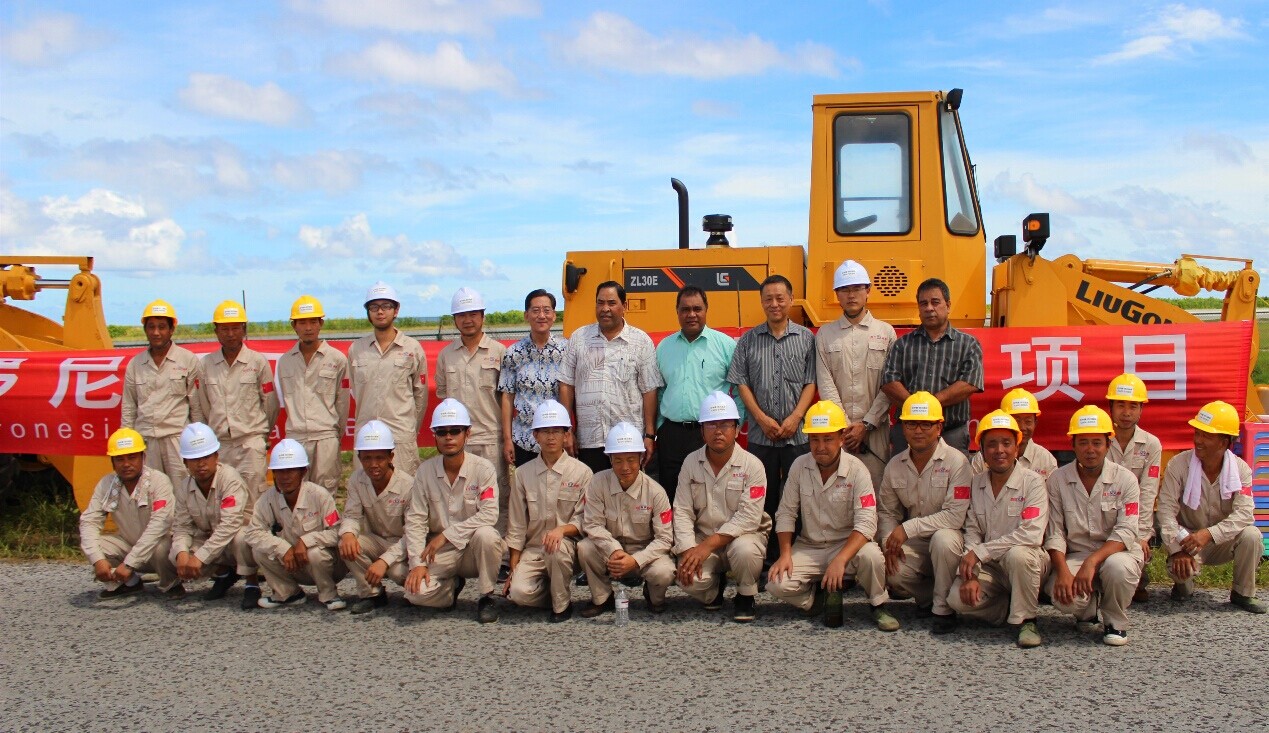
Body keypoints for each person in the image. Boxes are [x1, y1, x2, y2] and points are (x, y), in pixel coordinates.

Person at [766, 401, 898, 632]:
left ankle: (878, 604)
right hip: (810, 546)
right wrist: (785, 554)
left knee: (872, 557)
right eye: (814, 439)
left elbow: (867, 522)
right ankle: (816, 599)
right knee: (776, 584)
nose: (821, 447)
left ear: (841, 438)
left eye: (827, 439)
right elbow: (786, 512)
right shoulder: (799, 466)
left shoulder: (857, 470)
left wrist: (840, 560)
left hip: (847, 545)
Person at [727, 274, 817, 564]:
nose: (775, 304)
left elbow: (811, 381)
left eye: (780, 298)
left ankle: (796, 555)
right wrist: (762, 419)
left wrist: (795, 417)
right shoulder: (748, 341)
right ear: (762, 302)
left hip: (797, 435)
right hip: (760, 436)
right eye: (769, 299)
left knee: (798, 495)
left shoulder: (807, 339)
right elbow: (741, 383)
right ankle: (763, 558)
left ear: (791, 299)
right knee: (762, 497)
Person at [940, 410, 1049, 647]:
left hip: (1026, 562)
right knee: (957, 599)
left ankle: (1027, 620)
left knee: (1018, 554)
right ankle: (1008, 608)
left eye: (1006, 443)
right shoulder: (976, 483)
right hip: (991, 567)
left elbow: (1031, 534)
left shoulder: (1033, 482)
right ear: (981, 451)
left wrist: (981, 553)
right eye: (991, 444)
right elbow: (972, 531)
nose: (999, 450)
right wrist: (971, 574)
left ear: (1017, 448)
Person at [1044, 406, 1144, 646]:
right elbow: (1054, 531)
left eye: (1097, 443)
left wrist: (1092, 562)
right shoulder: (1057, 479)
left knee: (1118, 569)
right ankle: (1086, 610)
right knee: (1062, 596)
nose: (1090, 449)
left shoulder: (1126, 479)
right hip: (1076, 554)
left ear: (1108, 445)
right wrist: (1063, 571)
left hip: (1118, 554)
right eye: (1083, 442)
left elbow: (1127, 531)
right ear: (1073, 445)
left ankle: (1115, 622)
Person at [402, 399, 504, 624]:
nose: (448, 437)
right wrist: (418, 565)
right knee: (414, 594)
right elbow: (415, 520)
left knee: (487, 535)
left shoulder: (483, 468)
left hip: (472, 549)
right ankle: (450, 588)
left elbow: (489, 514)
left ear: (467, 433)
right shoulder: (424, 472)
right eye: (442, 432)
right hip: (440, 552)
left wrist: (446, 535)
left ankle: (487, 596)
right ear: (434, 436)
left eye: (455, 431)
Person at [1158, 401, 1264, 613]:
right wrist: (1177, 549)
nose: (1198, 440)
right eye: (1197, 433)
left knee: (1252, 535)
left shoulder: (1241, 470)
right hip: (1187, 540)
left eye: (1206, 435)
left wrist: (1209, 534)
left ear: (1224, 442)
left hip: (1221, 540)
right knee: (1180, 572)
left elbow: (1244, 514)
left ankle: (1242, 592)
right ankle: (1183, 585)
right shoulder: (1178, 464)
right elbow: (1165, 511)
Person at [673, 392, 770, 623]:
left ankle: (746, 595)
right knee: (687, 579)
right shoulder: (690, 462)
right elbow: (682, 510)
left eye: (725, 424)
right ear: (701, 430)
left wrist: (706, 546)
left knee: (745, 551)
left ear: (737, 430)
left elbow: (748, 518)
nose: (718, 431)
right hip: (703, 537)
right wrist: (689, 550)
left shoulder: (753, 465)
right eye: (711, 424)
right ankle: (713, 589)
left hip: (742, 537)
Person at [877, 392, 971, 620]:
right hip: (917, 543)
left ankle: (943, 610)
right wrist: (889, 543)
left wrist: (907, 528)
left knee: (943, 539)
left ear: (939, 427)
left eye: (926, 424)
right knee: (889, 571)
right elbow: (887, 512)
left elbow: (955, 517)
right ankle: (934, 595)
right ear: (903, 428)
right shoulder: (894, 466)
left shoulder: (957, 462)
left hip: (952, 541)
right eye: (911, 424)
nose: (918, 430)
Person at [559, 281, 663, 475]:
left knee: (629, 492)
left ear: (624, 306)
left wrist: (649, 435)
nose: (605, 308)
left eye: (612, 303)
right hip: (590, 440)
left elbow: (649, 390)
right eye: (600, 303)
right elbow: (566, 384)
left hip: (628, 440)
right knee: (593, 491)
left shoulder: (641, 341)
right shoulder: (579, 339)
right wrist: (567, 430)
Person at [504, 400, 592, 622]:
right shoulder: (523, 474)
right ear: (535, 435)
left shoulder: (582, 473)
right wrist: (514, 568)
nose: (550, 437)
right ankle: (553, 593)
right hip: (534, 549)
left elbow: (586, 518)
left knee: (556, 547)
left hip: (568, 549)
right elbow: (516, 525)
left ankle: (561, 606)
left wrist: (562, 530)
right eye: (544, 431)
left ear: (566, 435)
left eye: (556, 431)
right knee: (518, 593)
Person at [577, 422, 675, 617]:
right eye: (618, 460)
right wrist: (614, 550)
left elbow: (665, 538)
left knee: (664, 571)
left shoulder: (656, 492)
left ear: (641, 458)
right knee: (585, 547)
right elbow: (592, 524)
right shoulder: (597, 483)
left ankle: (653, 595)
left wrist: (636, 560)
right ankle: (602, 598)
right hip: (610, 550)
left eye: (631, 459)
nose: (625, 467)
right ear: (610, 459)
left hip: (644, 552)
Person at [815, 260, 897, 489]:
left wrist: (866, 424)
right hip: (837, 433)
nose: (851, 295)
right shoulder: (825, 335)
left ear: (868, 291)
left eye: (857, 288)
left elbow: (889, 385)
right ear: (837, 295)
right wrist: (844, 427)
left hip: (875, 431)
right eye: (844, 289)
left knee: (875, 491)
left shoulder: (886, 332)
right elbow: (825, 383)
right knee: (838, 491)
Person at [655, 286, 740, 501]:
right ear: (677, 311)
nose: (691, 314)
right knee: (671, 495)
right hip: (671, 435)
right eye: (685, 309)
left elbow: (740, 390)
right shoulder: (664, 347)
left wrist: (734, 426)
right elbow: (660, 390)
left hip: (711, 433)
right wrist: (660, 427)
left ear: (706, 310)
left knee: (709, 497)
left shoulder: (725, 345)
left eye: (697, 309)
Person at [436, 287, 510, 533]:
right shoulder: (446, 355)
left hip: (491, 439)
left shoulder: (499, 352)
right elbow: (443, 395)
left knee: (496, 497)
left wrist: (506, 439)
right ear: (454, 319)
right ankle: (461, 547)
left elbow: (507, 398)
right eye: (461, 315)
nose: (467, 320)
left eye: (473, 314)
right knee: (459, 498)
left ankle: (496, 548)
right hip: (458, 440)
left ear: (482, 316)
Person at [881, 278, 983, 454]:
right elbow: (889, 381)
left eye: (935, 302)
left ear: (948, 305)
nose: (929, 308)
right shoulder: (902, 344)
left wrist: (929, 405)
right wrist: (916, 410)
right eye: (923, 303)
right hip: (908, 434)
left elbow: (970, 383)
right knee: (901, 472)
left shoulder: (968, 344)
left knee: (954, 473)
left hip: (951, 433)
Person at [245, 439, 347, 611]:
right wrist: (282, 548)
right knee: (260, 550)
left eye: (291, 470)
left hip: (325, 566)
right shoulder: (267, 499)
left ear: (303, 472)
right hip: (292, 564)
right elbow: (252, 533)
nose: (285, 477)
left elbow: (337, 532)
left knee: (315, 553)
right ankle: (288, 593)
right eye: (280, 471)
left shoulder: (319, 495)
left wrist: (306, 541)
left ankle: (329, 594)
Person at [79, 428, 180, 598]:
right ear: (112, 462)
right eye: (120, 459)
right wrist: (97, 560)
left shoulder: (158, 480)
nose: (126, 464)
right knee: (94, 544)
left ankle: (171, 584)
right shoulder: (106, 484)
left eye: (132, 457)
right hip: (128, 545)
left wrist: (130, 563)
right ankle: (130, 583)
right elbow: (89, 521)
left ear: (143, 457)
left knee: (162, 547)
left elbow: (159, 525)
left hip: (158, 550)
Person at [169, 422, 260, 608]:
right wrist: (182, 553)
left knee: (241, 539)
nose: (201, 463)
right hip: (211, 538)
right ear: (185, 462)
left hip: (236, 537)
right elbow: (182, 526)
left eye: (206, 456)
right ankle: (223, 574)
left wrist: (200, 557)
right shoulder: (184, 487)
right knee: (174, 554)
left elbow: (230, 524)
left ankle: (252, 583)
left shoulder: (230, 478)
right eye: (194, 459)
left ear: (217, 456)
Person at [196, 300, 278, 503]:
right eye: (224, 329)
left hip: (250, 444)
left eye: (235, 328)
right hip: (220, 446)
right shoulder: (206, 365)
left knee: (254, 499)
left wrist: (260, 436)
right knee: (224, 500)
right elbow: (204, 406)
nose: (230, 334)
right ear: (216, 331)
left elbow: (270, 404)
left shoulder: (257, 362)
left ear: (244, 329)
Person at [348, 281, 428, 476]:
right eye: (374, 307)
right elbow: (356, 391)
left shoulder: (412, 348)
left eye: (386, 306)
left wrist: (408, 429)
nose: (380, 312)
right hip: (366, 438)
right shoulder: (356, 350)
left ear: (396, 310)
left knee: (405, 487)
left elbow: (420, 396)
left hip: (400, 437)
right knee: (365, 488)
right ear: (368, 313)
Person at [120, 299, 204, 486]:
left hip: (177, 440)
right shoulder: (135, 364)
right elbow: (129, 407)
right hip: (146, 441)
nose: (156, 332)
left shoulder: (187, 360)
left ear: (171, 329)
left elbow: (196, 406)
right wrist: (128, 444)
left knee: (184, 490)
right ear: (145, 330)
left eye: (161, 327)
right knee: (150, 492)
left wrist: (198, 440)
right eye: (151, 327)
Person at [274, 295, 350, 495]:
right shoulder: (285, 362)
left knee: (325, 493)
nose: (308, 328)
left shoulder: (337, 359)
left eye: (313, 322)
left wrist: (334, 435)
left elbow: (342, 403)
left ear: (320, 323)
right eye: (302, 322)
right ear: (294, 326)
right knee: (295, 494)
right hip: (296, 438)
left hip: (325, 436)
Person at [339, 420, 414, 615]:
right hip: (377, 541)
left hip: (405, 546)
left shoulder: (408, 486)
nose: (373, 464)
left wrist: (384, 561)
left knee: (397, 573)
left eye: (379, 457)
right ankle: (372, 594)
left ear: (391, 456)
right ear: (359, 458)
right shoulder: (357, 480)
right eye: (367, 458)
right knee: (348, 544)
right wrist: (348, 533)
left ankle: (430, 589)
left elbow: (413, 534)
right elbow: (351, 515)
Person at [1104, 373, 1163, 603]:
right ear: (1111, 407)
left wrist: (1142, 536)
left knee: (1138, 543)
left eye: (1133, 406)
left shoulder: (1151, 444)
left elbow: (1148, 492)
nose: (1126, 412)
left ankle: (1139, 576)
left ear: (1141, 410)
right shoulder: (1099, 439)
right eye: (1120, 405)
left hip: (1134, 515)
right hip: (1103, 513)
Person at [499, 289, 569, 467]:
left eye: (547, 310)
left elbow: (570, 393)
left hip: (557, 440)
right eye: (536, 310)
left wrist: (569, 433)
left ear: (554, 315)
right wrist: (507, 439)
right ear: (526, 315)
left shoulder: (566, 350)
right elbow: (507, 397)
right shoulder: (513, 353)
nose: (541, 316)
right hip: (524, 439)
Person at [970, 388, 1057, 480]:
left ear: (1035, 423)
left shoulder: (1046, 459)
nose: (1022, 427)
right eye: (1016, 421)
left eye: (1028, 421)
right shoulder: (982, 459)